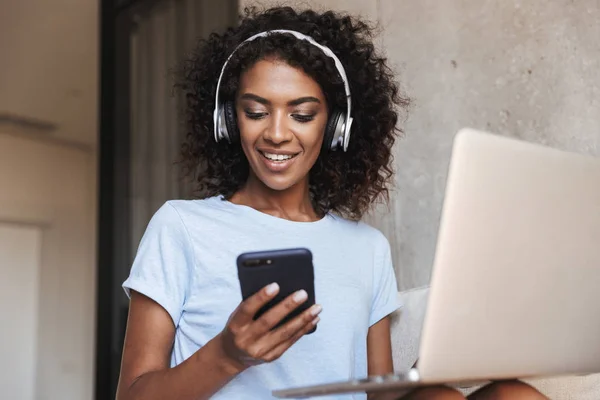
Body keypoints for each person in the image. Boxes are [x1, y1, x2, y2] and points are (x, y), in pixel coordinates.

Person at [116, 6, 548, 400]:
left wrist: (431, 370)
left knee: (511, 394)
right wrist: (229, 354)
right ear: (229, 119)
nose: (277, 134)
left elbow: (376, 393)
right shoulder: (182, 226)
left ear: (337, 126)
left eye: (302, 114)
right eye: (255, 111)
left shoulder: (367, 247)